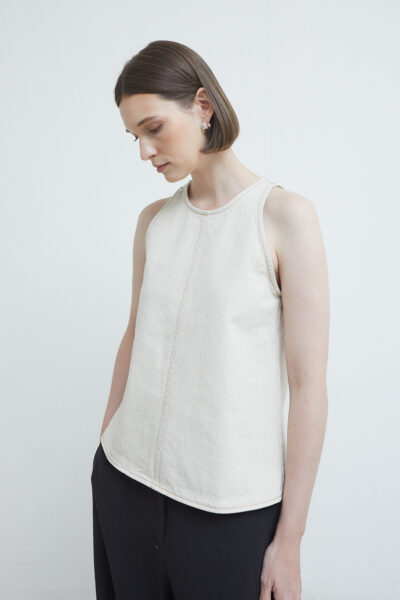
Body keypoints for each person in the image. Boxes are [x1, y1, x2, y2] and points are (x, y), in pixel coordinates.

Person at [90, 40, 329, 600]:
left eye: (153, 128)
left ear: (202, 105)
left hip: (229, 509)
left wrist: (289, 540)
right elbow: (135, 335)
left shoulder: (284, 217)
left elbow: (309, 386)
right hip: (125, 483)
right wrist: (105, 446)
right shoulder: (153, 221)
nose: (144, 151)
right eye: (133, 137)